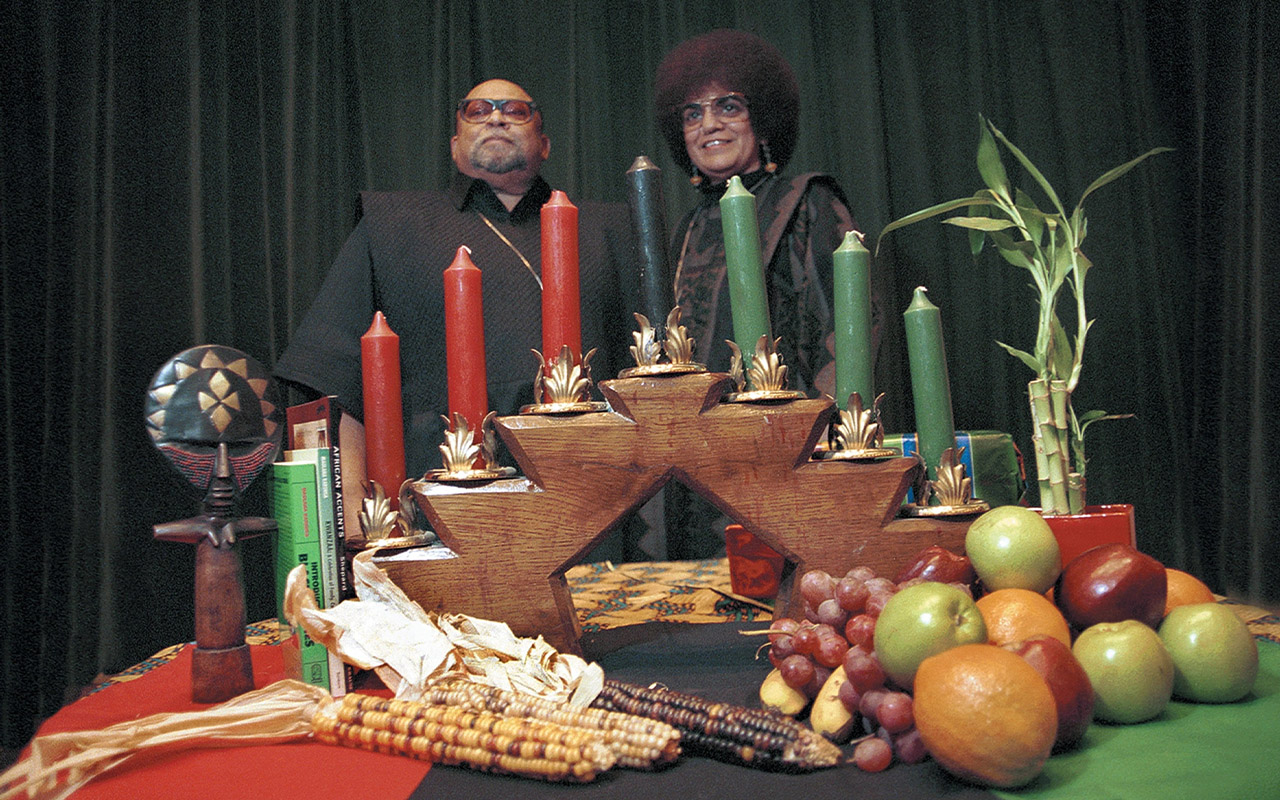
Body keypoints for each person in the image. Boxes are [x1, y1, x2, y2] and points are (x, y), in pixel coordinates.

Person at [274, 79, 634, 494]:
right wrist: (354, 521)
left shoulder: (608, 228)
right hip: (441, 484)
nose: (496, 117)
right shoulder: (391, 223)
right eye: (477, 111)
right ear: (453, 144)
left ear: (546, 143)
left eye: (516, 111)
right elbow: (331, 377)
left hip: (593, 478)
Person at [651, 29, 877, 558]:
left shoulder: (807, 203)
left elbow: (846, 338)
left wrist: (825, 450)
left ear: (763, 118)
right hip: (696, 469)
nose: (708, 124)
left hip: (786, 457)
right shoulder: (685, 230)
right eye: (691, 113)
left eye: (728, 106)